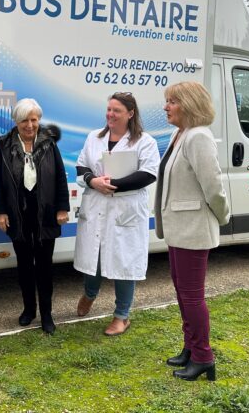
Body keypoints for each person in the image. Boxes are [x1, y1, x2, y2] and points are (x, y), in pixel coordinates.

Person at [154, 81, 230, 382]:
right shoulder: (181, 134)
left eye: (172, 101)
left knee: (192, 295)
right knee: (183, 293)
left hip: (193, 230)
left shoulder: (198, 137)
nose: (166, 106)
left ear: (188, 104)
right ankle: (190, 347)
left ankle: (203, 357)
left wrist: (222, 217)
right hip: (179, 229)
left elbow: (214, 187)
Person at [73, 92, 160, 335]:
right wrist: (93, 181)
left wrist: (113, 184)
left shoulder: (145, 142)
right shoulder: (94, 137)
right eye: (109, 109)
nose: (110, 114)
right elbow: (81, 166)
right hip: (97, 205)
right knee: (94, 258)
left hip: (125, 211)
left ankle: (122, 315)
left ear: (130, 114)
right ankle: (89, 293)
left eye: (117, 110)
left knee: (124, 262)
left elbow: (149, 174)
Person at [0, 98, 70, 334]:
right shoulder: (3, 146)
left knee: (45, 266)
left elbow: (60, 177)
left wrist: (62, 208)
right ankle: (28, 310)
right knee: (24, 266)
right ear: (16, 121)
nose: (30, 125)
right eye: (25, 120)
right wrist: (1, 211)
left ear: (39, 120)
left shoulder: (49, 143)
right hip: (18, 214)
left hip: (45, 213)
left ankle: (47, 314)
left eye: (34, 119)